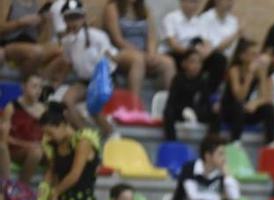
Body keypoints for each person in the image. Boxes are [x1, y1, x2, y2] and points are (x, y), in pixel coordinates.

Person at [58, 0, 145, 136]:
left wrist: (108, 64)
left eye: (77, 17)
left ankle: (112, 134)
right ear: (64, 20)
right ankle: (85, 135)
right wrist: (55, 83)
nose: (73, 22)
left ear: (83, 18)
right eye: (69, 18)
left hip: (102, 79)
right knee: (67, 101)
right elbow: (68, 64)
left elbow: (111, 57)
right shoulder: (66, 42)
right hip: (84, 81)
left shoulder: (97, 36)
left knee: (94, 106)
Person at [168, 134, 241, 200]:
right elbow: (193, 197)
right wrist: (218, 199)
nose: (224, 158)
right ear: (208, 156)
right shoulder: (190, 168)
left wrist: (227, 175)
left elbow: (234, 198)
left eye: (224, 154)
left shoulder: (220, 172)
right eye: (220, 154)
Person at [102, 0, 175, 89]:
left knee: (168, 63)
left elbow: (151, 35)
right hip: (120, 51)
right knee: (138, 60)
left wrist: (151, 53)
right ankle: (134, 101)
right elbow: (117, 39)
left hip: (144, 52)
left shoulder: (144, 9)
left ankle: (170, 100)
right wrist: (140, 53)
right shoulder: (112, 7)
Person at [161, 0, 226, 94]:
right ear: (182, 2)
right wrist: (192, 53)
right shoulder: (171, 18)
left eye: (196, 2)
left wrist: (204, 53)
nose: (194, 5)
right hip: (178, 53)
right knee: (191, 59)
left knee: (219, 59)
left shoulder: (199, 21)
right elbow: (173, 44)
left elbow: (207, 42)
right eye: (191, 2)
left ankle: (208, 94)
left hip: (196, 53)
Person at [219, 38, 274, 144]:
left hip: (246, 109)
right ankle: (235, 141)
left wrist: (255, 103)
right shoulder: (234, 70)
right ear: (242, 56)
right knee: (239, 106)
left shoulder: (260, 71)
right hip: (230, 110)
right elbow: (239, 96)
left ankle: (270, 142)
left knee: (269, 108)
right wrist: (249, 74)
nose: (257, 58)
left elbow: (266, 97)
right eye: (253, 54)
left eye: (258, 54)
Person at [0, 0, 64, 83]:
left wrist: (43, 22)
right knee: (36, 52)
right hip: (11, 43)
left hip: (32, 44)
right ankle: (28, 85)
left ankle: (40, 84)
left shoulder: (36, 5)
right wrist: (20, 23)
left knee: (62, 51)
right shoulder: (9, 2)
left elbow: (37, 34)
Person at [162, 48, 215, 141]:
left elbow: (205, 102)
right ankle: (171, 141)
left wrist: (198, 111)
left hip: (196, 112)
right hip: (180, 111)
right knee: (168, 112)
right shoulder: (178, 79)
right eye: (192, 62)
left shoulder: (203, 80)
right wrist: (184, 110)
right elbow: (171, 102)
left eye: (199, 62)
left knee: (215, 114)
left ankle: (212, 142)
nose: (196, 66)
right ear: (184, 63)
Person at [2, 73, 44, 183]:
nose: (38, 90)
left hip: (38, 147)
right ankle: (22, 187)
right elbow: (4, 138)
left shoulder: (43, 109)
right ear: (23, 87)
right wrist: (27, 145)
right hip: (16, 149)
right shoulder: (11, 107)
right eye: (34, 86)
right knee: (36, 152)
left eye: (40, 87)